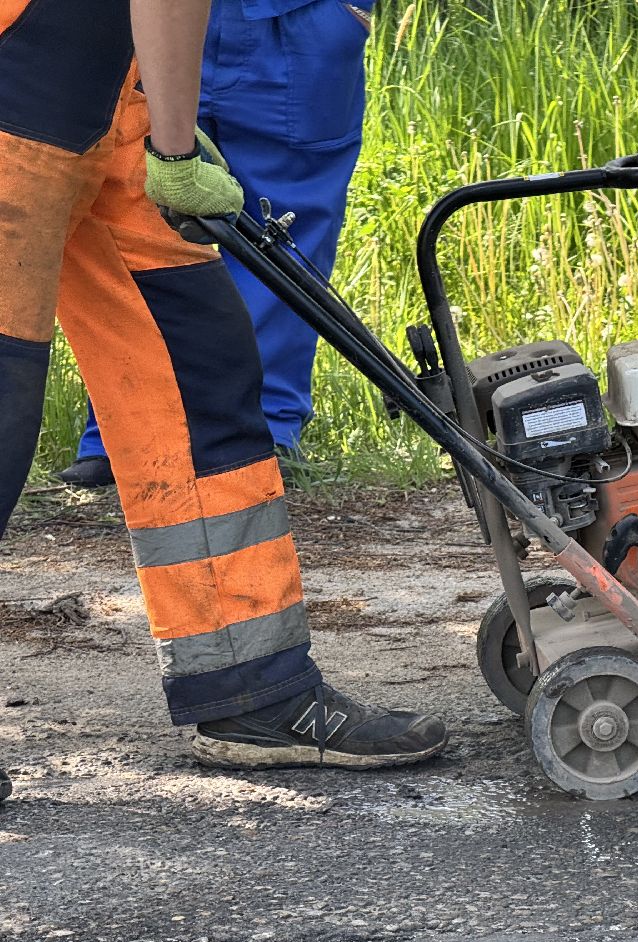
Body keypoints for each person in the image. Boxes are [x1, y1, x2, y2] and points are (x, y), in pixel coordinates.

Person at [0, 0, 446, 771]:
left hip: (107, 98)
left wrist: (154, 116)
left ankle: (251, 686)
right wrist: (174, 148)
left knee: (198, 372)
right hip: (21, 87)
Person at [57, 0, 375, 487]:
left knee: (282, 230)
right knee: (135, 212)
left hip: (297, 18)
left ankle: (262, 437)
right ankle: (125, 438)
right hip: (146, 16)